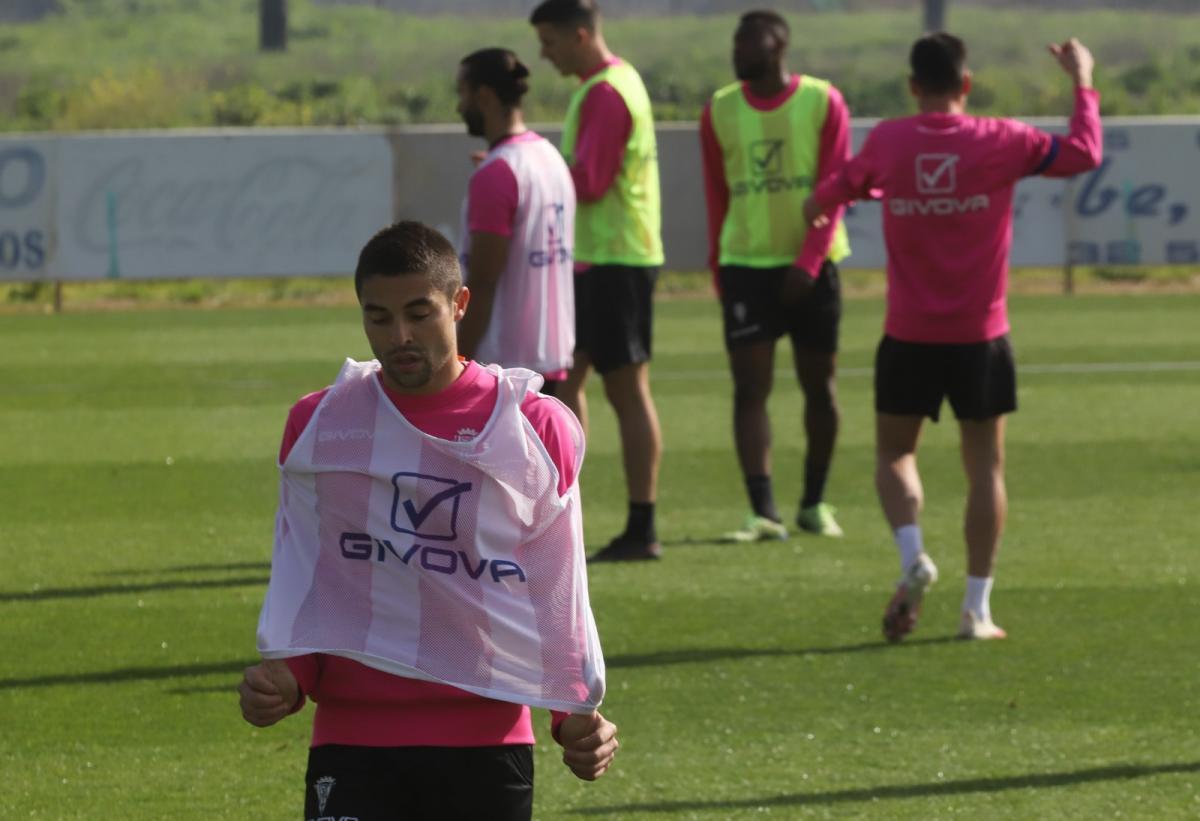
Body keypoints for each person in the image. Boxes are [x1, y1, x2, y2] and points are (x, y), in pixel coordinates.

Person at [238, 221, 617, 820]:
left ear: (459, 304)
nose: (401, 335)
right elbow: (314, 576)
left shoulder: (535, 429)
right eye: (379, 317)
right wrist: (288, 677)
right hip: (352, 743)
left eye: (420, 313)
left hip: (486, 745)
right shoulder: (321, 426)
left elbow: (554, 588)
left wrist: (573, 714)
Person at [804, 34, 1102, 641]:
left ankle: (913, 555)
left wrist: (845, 197)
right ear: (966, 84)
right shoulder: (1002, 139)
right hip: (982, 336)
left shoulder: (890, 140)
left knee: (893, 455)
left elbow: (830, 191)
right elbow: (1083, 152)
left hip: (909, 334)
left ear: (914, 86)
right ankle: (977, 610)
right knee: (985, 467)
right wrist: (1082, 81)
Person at [699, 10, 851, 543]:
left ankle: (814, 501)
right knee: (749, 390)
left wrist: (808, 262)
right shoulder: (719, 109)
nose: (737, 50)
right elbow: (717, 195)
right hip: (746, 267)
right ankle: (764, 510)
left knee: (820, 389)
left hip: (812, 269)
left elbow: (835, 187)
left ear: (779, 45)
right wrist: (720, 267)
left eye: (748, 41)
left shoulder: (822, 100)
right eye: (735, 41)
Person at [530, 0, 665, 562]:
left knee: (622, 389)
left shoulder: (607, 92)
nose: (545, 53)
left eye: (551, 41)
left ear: (580, 35)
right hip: (599, 258)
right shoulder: (613, 82)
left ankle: (641, 525)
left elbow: (591, 182)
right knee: (562, 387)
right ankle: (565, 516)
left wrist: (527, 167)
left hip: (613, 260)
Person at [454, 47, 577, 396]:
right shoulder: (549, 157)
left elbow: (484, 281)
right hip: (550, 353)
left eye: (462, 94)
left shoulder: (498, 172)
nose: (459, 107)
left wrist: (459, 357)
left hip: (504, 364)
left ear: (485, 96)